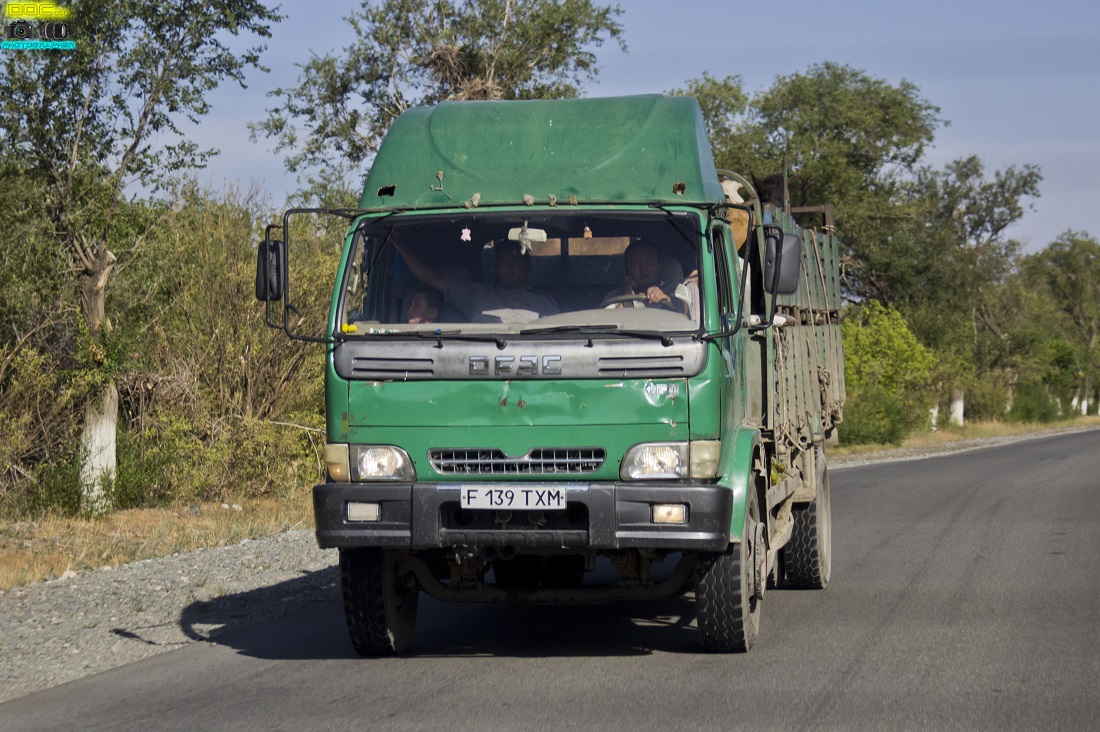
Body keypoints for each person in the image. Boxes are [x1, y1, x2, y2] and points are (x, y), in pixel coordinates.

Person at [393, 236, 558, 324]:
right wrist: (399, 244)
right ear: (495, 266)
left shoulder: (544, 302)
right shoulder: (476, 293)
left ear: (528, 265)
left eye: (515, 261)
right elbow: (433, 279)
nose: (508, 266)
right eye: (502, 261)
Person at [605, 241, 695, 317]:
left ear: (659, 266)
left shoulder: (676, 289)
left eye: (648, 262)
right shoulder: (614, 296)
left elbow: (683, 310)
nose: (643, 269)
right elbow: (607, 324)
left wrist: (667, 300)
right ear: (627, 269)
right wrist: (626, 297)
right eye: (636, 264)